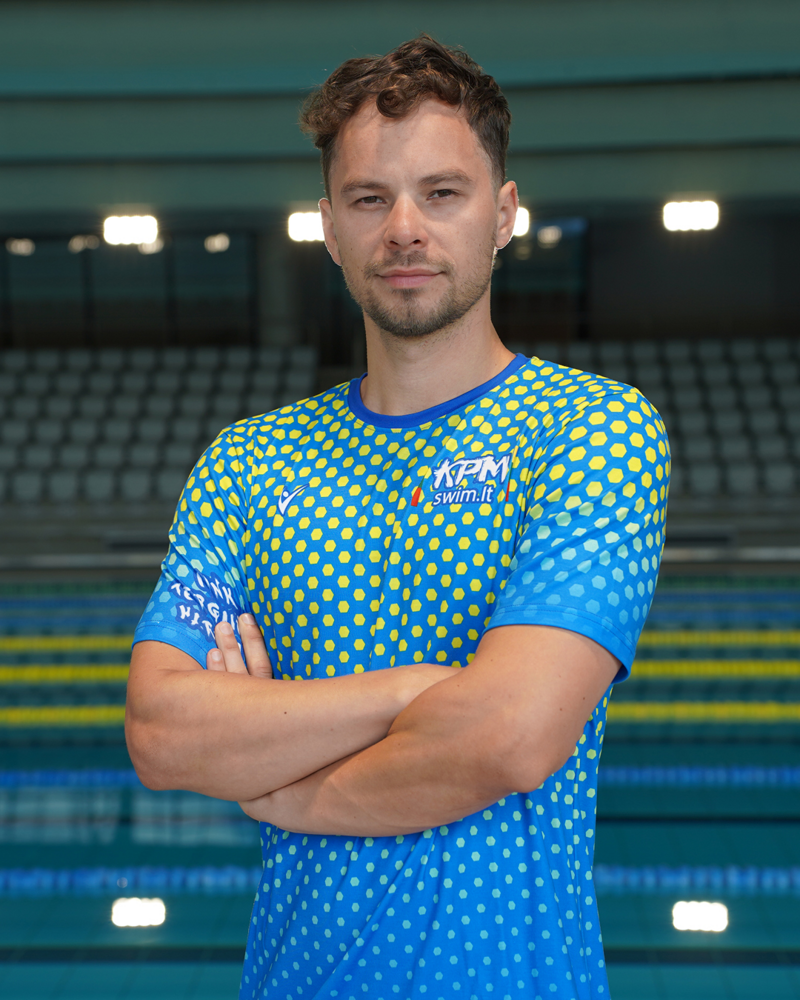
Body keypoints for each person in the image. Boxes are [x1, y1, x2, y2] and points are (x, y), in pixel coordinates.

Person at [126, 35, 669, 1000]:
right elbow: (164, 732)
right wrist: (420, 690)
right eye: (370, 199)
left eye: (442, 193)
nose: (405, 229)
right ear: (329, 228)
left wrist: (284, 788)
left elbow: (510, 736)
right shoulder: (247, 465)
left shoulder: (591, 432)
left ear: (504, 214)